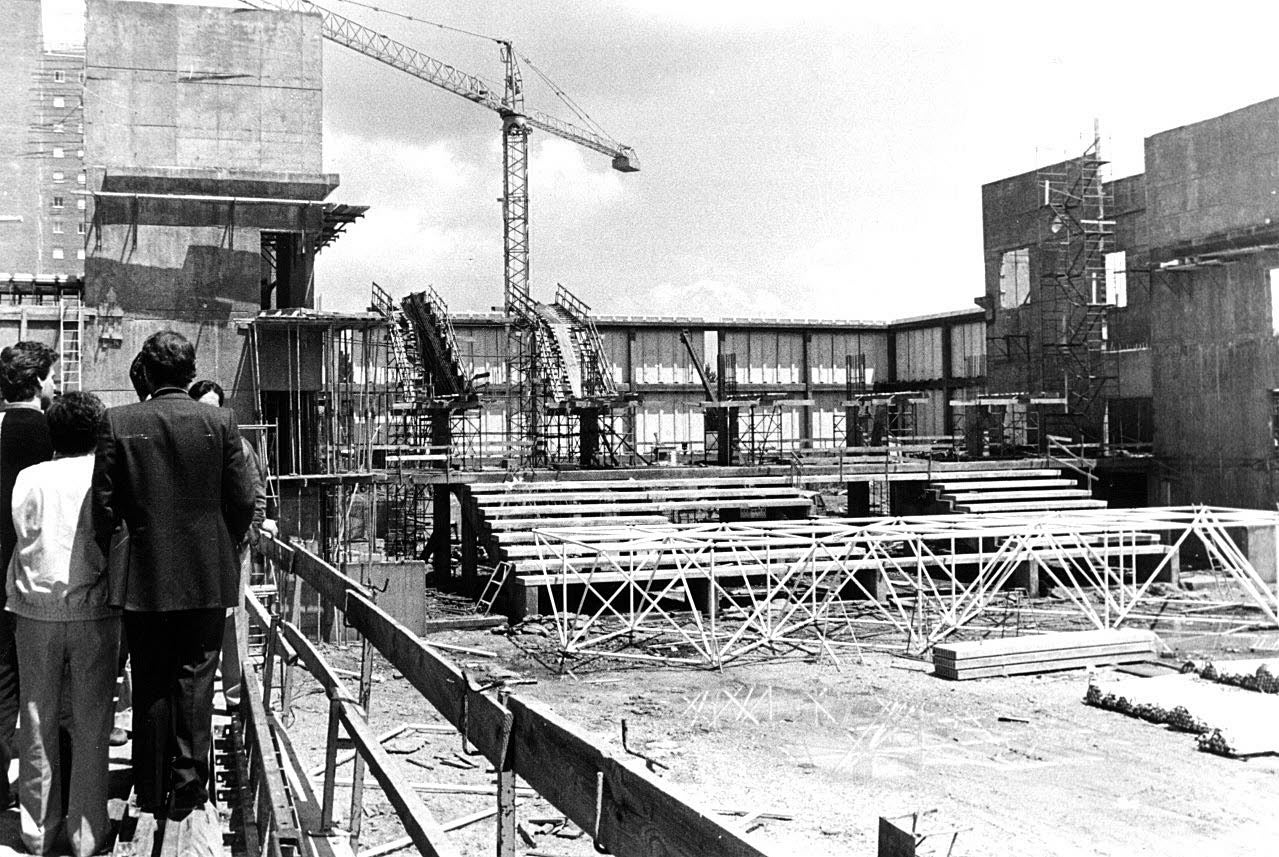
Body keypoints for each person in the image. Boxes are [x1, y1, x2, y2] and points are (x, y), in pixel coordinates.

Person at [91, 331, 255, 841]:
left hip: (141, 574)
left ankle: (150, 780)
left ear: (148, 371)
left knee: (150, 677)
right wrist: (219, 545)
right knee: (195, 678)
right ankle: (188, 787)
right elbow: (243, 499)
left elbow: (103, 507)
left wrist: (121, 552)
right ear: (189, 372)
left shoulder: (118, 421)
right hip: (206, 574)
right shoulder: (220, 421)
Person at [7, 392, 117, 856]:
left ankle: (36, 830)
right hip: (92, 609)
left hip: (33, 610)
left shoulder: (28, 477)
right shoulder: (101, 477)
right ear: (96, 434)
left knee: (36, 717)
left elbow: (21, 532)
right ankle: (86, 833)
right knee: (92, 721)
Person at [188, 379, 277, 711]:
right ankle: (200, 696)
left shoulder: (239, 447)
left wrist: (249, 536)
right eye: (203, 406)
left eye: (215, 405)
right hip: (196, 549)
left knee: (233, 621)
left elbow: (257, 494)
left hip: (231, 547)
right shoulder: (188, 444)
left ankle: (234, 695)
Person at [0, 341, 57, 808]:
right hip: (38, 577)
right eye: (52, 378)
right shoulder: (53, 433)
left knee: (1, 682)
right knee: (38, 687)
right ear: (38, 382)